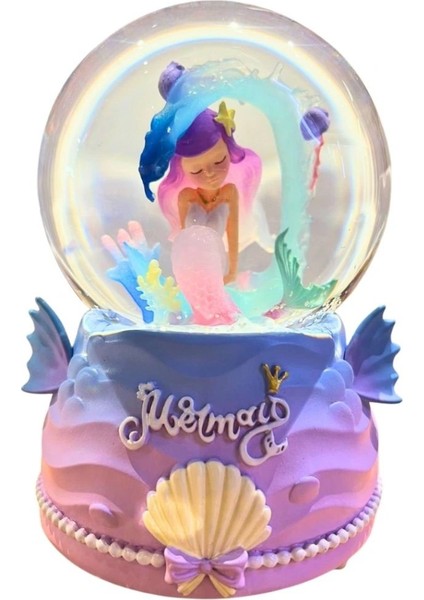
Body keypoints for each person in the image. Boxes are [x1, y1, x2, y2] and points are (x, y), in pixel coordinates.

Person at [139, 63, 265, 325]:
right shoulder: (186, 197)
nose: (210, 175)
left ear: (229, 152)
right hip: (194, 272)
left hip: (219, 267)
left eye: (219, 162)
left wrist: (232, 270)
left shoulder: (229, 192)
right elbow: (185, 243)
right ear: (183, 170)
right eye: (196, 170)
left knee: (226, 313)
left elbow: (232, 233)